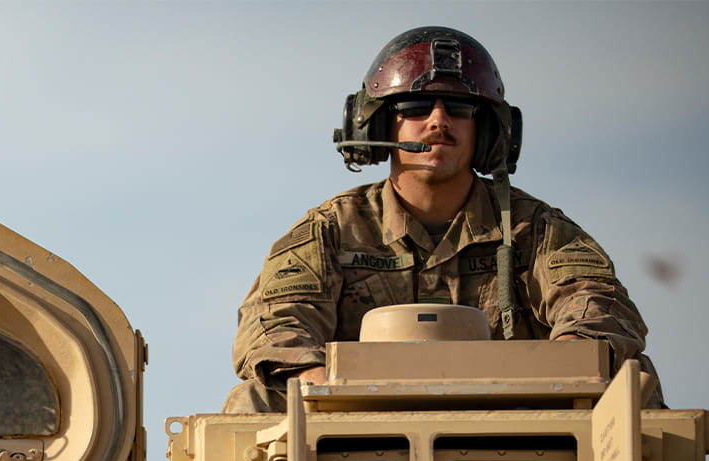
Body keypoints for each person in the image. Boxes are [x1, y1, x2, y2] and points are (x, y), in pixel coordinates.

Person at [226, 25, 662, 413]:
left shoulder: (537, 231)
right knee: (254, 401)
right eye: (415, 107)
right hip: (354, 431)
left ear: (487, 130)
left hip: (519, 427)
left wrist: (564, 359)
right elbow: (278, 325)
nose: (437, 121)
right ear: (378, 125)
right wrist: (323, 382)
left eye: (460, 109)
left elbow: (597, 308)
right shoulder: (331, 231)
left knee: (634, 384)